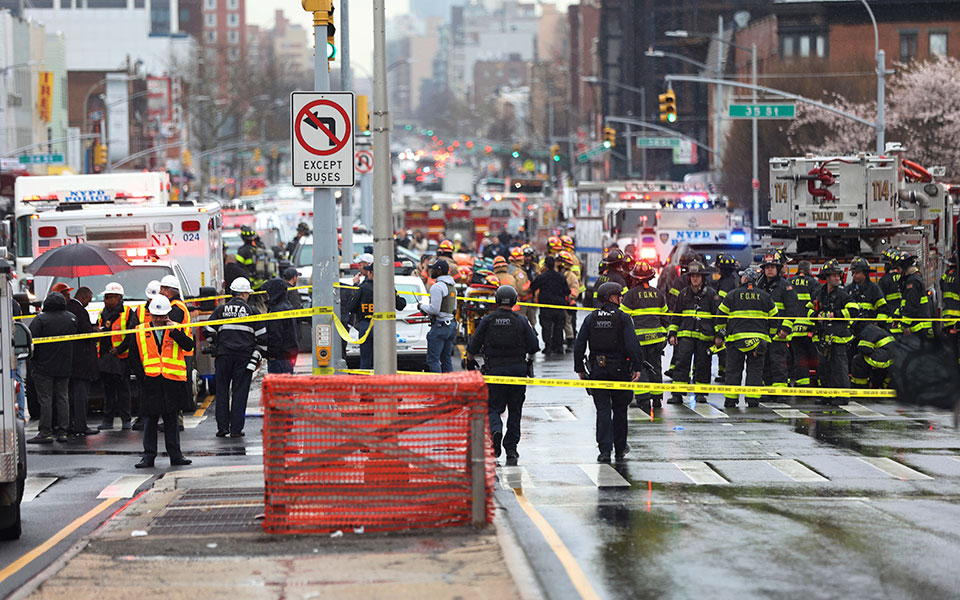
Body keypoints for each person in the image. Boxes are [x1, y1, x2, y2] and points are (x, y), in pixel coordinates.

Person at [465, 285, 539, 465]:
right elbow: (534, 346)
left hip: (494, 372)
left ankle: (496, 430)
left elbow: (472, 346)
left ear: (496, 300)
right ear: (515, 301)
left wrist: (470, 361)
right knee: (515, 410)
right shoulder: (521, 321)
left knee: (491, 407)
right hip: (517, 372)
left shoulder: (488, 320)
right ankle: (511, 449)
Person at [573, 282, 645, 463]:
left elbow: (579, 344)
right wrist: (637, 367)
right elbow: (632, 345)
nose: (621, 298)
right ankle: (620, 448)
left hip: (598, 370)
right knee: (620, 410)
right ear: (610, 297)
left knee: (602, 410)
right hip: (620, 370)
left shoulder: (591, 318)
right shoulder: (623, 318)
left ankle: (604, 450)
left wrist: (579, 368)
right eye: (618, 295)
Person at [130, 295, 194, 469]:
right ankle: (148, 456)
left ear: (168, 315)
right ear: (150, 314)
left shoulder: (176, 328)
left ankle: (176, 455)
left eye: (162, 316)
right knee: (150, 420)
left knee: (171, 420)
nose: (159, 320)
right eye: (156, 316)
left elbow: (189, 346)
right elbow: (133, 357)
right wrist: (142, 377)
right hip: (150, 381)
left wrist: (175, 332)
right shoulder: (140, 330)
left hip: (171, 380)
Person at [203, 277, 266, 438]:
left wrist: (215, 344)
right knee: (240, 393)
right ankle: (236, 430)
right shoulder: (253, 312)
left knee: (222, 392)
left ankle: (222, 428)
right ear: (244, 294)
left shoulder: (220, 310)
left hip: (223, 357)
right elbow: (263, 339)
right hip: (244, 358)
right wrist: (257, 356)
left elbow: (207, 331)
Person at [718, 266, 776, 408]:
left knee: (733, 370)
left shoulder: (732, 295)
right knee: (755, 371)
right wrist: (770, 336)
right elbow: (775, 318)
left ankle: (731, 400)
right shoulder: (765, 296)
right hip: (758, 342)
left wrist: (723, 333)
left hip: (736, 341)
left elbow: (720, 317)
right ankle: (753, 400)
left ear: (744, 279)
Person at [667, 260, 720, 404]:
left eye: (697, 276)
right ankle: (677, 394)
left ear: (702, 277)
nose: (694, 278)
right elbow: (676, 315)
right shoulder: (683, 294)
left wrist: (719, 335)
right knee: (681, 363)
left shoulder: (711, 294)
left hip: (704, 337)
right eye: (692, 276)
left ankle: (701, 393)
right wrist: (672, 333)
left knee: (703, 365)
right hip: (685, 336)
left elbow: (717, 317)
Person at [27, 293, 77, 443]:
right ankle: (63, 431)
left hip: (43, 367)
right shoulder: (71, 318)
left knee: (45, 400)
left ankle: (45, 432)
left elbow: (30, 339)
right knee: (63, 398)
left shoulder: (40, 319)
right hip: (65, 366)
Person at [620, 260, 670, 411]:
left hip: (639, 342)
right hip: (657, 340)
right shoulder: (658, 294)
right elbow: (666, 317)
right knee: (655, 368)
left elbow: (623, 318)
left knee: (640, 368)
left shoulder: (630, 295)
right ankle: (657, 399)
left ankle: (643, 400)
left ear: (634, 278)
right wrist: (663, 334)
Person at [345, 255, 407, 369]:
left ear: (371, 273)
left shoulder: (363, 288)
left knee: (365, 360)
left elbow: (351, 307)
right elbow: (401, 305)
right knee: (384, 360)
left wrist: (355, 286)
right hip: (383, 327)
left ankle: (366, 383)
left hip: (366, 326)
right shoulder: (387, 287)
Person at [811, 259, 859, 403]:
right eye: (834, 276)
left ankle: (843, 396)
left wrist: (835, 315)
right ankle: (827, 395)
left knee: (840, 368)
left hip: (839, 338)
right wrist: (816, 316)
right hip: (823, 338)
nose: (837, 278)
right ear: (826, 277)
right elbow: (808, 310)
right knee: (824, 368)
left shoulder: (843, 295)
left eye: (838, 275)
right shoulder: (819, 293)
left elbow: (854, 310)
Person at [97, 282, 138, 430]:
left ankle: (126, 419)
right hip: (106, 357)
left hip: (121, 358)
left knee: (123, 390)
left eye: (108, 297)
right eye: (105, 297)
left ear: (118, 297)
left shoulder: (128, 313)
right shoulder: (103, 312)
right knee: (108, 391)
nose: (105, 300)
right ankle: (107, 420)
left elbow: (131, 335)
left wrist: (119, 349)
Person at [757, 253, 799, 398]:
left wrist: (785, 328)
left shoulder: (785, 286)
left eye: (772, 267)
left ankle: (780, 393)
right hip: (764, 333)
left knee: (778, 364)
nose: (770, 270)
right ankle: (768, 391)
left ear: (778, 268)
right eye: (767, 267)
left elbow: (792, 309)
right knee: (764, 363)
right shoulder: (760, 285)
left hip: (780, 333)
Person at [65, 287, 100, 438]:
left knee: (72, 395)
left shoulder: (69, 308)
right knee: (80, 396)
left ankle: (72, 424)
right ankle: (81, 425)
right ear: (85, 297)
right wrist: (96, 332)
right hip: (82, 362)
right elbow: (85, 333)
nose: (89, 303)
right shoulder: (79, 310)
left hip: (71, 361)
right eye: (90, 299)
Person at [159, 275, 193, 432]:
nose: (160, 292)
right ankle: (175, 420)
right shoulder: (177, 305)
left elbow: (171, 331)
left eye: (162, 289)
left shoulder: (175, 308)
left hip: (178, 353)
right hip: (179, 353)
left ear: (168, 291)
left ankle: (176, 421)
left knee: (175, 389)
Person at [418, 260, 458, 373]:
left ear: (439, 271)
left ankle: (439, 387)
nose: (431, 271)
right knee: (446, 359)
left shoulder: (437, 287)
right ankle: (449, 386)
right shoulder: (451, 286)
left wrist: (421, 306)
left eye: (433, 269)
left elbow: (434, 310)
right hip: (451, 326)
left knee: (433, 360)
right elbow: (453, 308)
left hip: (440, 327)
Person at [530, 255, 569, 355]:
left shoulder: (542, 277)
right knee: (559, 327)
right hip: (559, 306)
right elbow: (567, 291)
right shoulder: (561, 276)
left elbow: (533, 286)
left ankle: (548, 347)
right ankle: (558, 347)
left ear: (545, 265)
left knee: (546, 327)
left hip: (546, 306)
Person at [713, 254, 741, 383]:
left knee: (724, 348)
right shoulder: (734, 279)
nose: (717, 270)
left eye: (718, 268)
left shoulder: (725, 283)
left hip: (727, 320)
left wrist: (718, 325)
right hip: (735, 320)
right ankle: (722, 371)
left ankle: (724, 372)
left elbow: (721, 305)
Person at [264, 278, 300, 374]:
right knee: (286, 385)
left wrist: (271, 354)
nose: (266, 296)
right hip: (288, 354)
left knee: (277, 386)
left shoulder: (277, 310)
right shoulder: (287, 306)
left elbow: (275, 335)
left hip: (280, 357)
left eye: (268, 293)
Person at [897, 251, 934, 338]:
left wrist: (905, 325)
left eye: (899, 269)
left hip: (919, 329)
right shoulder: (912, 278)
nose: (898, 272)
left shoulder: (912, 281)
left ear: (904, 267)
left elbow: (911, 304)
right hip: (920, 328)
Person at [850, 323, 895, 388]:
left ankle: (860, 387)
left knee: (858, 359)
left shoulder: (865, 333)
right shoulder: (874, 329)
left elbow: (864, 349)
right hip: (892, 358)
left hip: (881, 359)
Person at [558, 250, 580, 351]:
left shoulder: (571, 276)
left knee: (568, 323)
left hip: (567, 303)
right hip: (558, 303)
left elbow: (575, 289)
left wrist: (569, 298)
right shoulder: (558, 274)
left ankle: (570, 342)